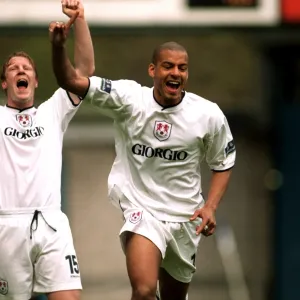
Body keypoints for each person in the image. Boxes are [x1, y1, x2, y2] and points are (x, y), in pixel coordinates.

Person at [50, 22, 236, 300]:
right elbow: (72, 82)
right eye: (168, 66)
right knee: (144, 289)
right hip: (143, 211)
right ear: (153, 70)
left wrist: (210, 207)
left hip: (185, 217)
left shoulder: (208, 115)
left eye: (182, 68)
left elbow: (223, 162)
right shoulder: (128, 99)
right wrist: (58, 45)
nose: (175, 73)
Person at [0, 1, 94, 300]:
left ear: (36, 81)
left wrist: (80, 19)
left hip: (51, 223)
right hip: (5, 225)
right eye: (13, 69)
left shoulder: (52, 111)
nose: (20, 70)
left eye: (26, 68)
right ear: (5, 83)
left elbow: (85, 71)